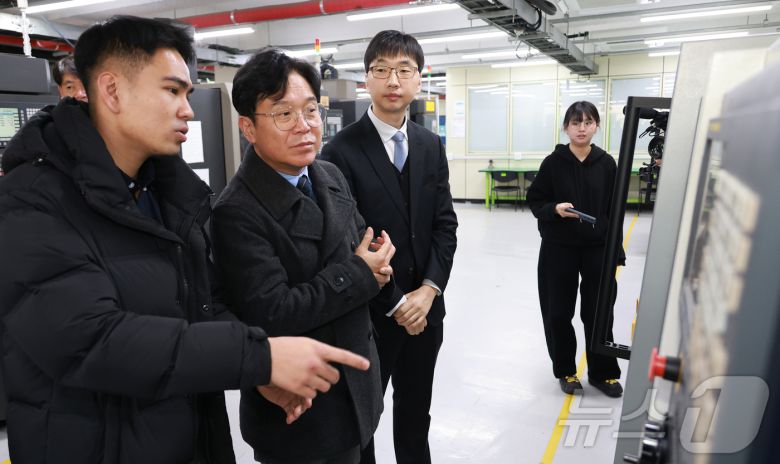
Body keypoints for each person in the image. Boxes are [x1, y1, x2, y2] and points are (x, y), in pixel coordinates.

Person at [0, 16, 371, 463]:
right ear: (112, 91)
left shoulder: (165, 193)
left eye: (188, 94)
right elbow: (92, 339)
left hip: (188, 436)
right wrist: (258, 357)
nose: (188, 111)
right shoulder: (32, 200)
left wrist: (258, 374)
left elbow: (204, 304)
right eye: (172, 91)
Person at [211, 48, 395, 464]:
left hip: (357, 385)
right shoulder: (237, 211)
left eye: (311, 110)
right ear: (248, 127)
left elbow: (362, 242)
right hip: (301, 406)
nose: (305, 126)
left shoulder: (327, 174)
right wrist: (360, 273)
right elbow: (273, 312)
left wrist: (378, 263)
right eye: (284, 114)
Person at [321, 30, 458, 464]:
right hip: (370, 317)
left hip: (426, 312)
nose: (393, 80)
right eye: (381, 70)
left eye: (404, 70)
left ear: (419, 79)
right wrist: (398, 303)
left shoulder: (430, 145)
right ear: (366, 79)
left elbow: (444, 225)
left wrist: (429, 290)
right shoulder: (339, 152)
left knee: (416, 415)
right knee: (361, 422)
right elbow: (345, 242)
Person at [526, 101, 624, 398]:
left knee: (600, 313)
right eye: (576, 123)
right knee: (558, 312)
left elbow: (615, 211)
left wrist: (616, 251)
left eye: (588, 122)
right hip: (559, 248)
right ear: (566, 127)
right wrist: (554, 208)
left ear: (597, 126)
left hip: (598, 249)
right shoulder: (553, 163)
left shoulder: (607, 164)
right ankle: (565, 370)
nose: (582, 128)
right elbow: (535, 200)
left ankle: (603, 373)